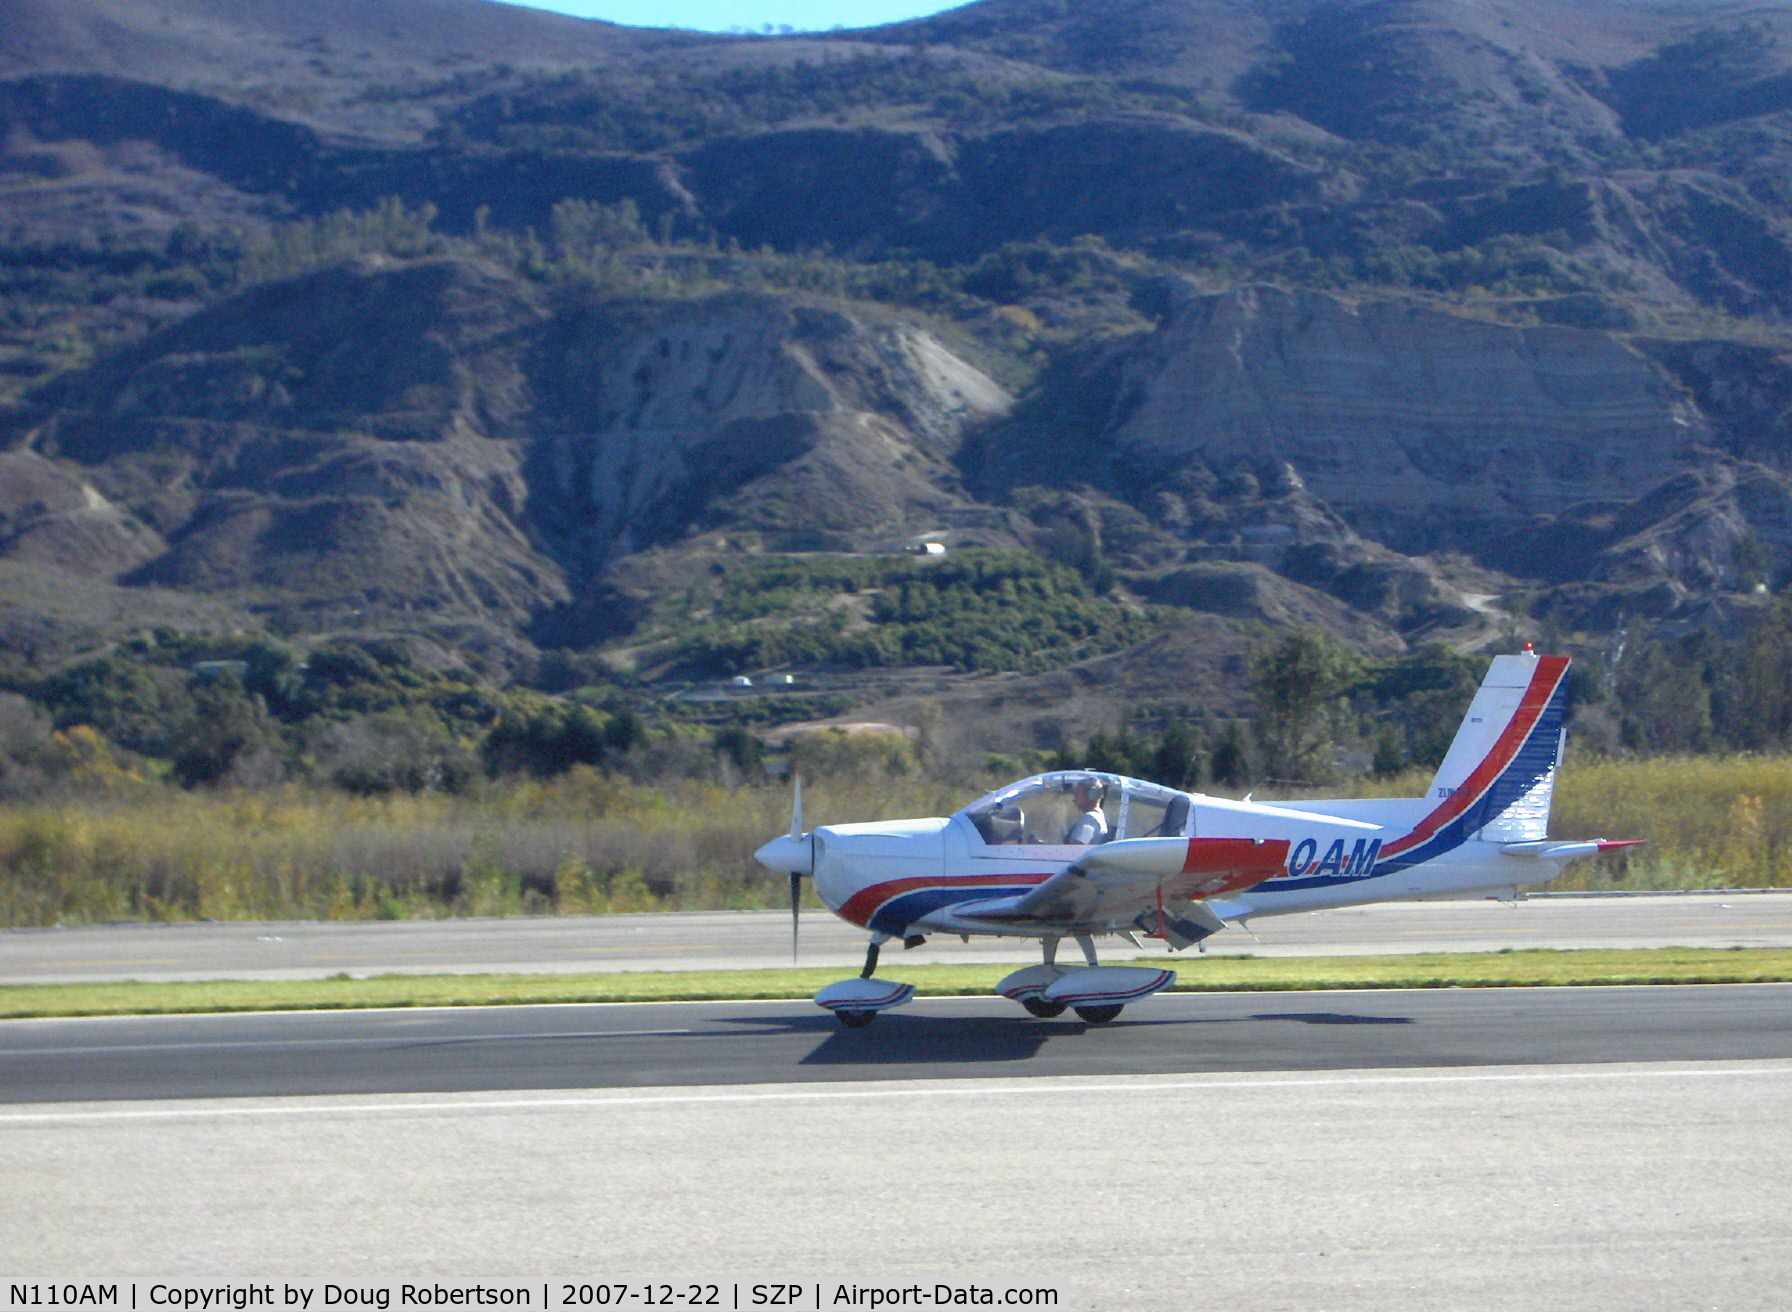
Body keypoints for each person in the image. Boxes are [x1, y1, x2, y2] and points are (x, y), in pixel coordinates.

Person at [1064, 776, 1108, 845]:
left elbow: (1078, 847)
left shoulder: (1090, 819)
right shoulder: (1098, 817)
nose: (1074, 797)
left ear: (1091, 794)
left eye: (1078, 792)